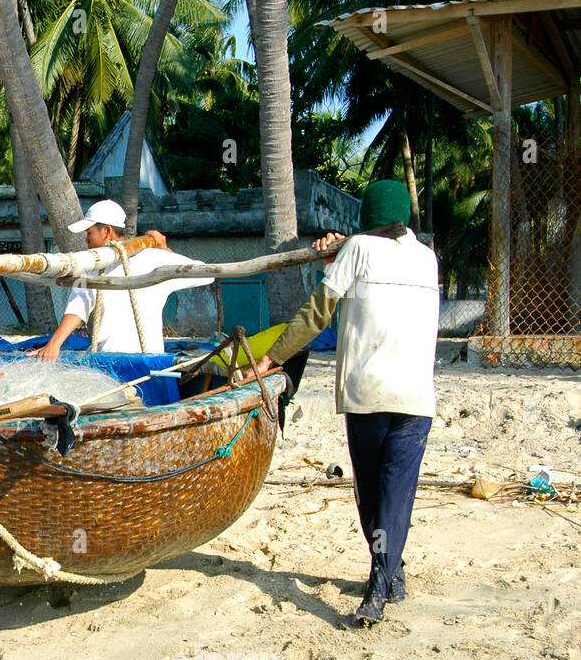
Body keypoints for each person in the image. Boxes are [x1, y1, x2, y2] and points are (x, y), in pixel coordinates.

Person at [241, 180, 439, 627]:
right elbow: (381, 261)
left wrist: (271, 358)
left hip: (368, 395)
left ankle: (379, 587)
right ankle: (392, 572)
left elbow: (315, 315)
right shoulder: (427, 257)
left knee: (370, 490)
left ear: (364, 219)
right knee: (397, 493)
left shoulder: (356, 251)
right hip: (416, 396)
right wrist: (341, 251)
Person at [34, 200, 210, 360]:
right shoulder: (93, 266)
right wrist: (54, 345)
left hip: (127, 359)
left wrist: (164, 250)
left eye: (89, 233)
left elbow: (206, 274)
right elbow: (78, 306)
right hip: (137, 359)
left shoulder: (155, 258)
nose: (86, 240)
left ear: (107, 231)